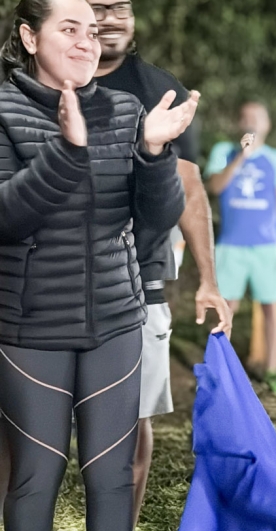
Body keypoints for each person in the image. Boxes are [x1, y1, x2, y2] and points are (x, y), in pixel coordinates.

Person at [0, 0, 195, 528]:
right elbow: (7, 218)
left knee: (111, 477)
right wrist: (66, 150)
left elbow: (156, 220)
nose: (89, 41)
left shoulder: (126, 110)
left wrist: (154, 153)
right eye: (70, 29)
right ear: (30, 37)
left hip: (116, 321)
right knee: (35, 474)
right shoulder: (2, 110)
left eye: (92, 31)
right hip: (30, 329)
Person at [83, 0, 233, 524]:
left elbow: (189, 185)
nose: (110, 18)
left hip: (139, 278)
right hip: (45, 279)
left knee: (131, 419)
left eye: (119, 6)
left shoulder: (157, 88)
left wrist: (209, 281)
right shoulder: (41, 78)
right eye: (97, 7)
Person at [205, 102, 276, 398]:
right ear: (238, 123)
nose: (251, 123)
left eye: (257, 118)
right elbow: (215, 187)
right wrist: (241, 158)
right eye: (245, 117)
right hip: (230, 246)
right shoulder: (223, 153)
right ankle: (220, 372)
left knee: (271, 307)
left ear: (267, 125)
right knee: (226, 309)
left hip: (267, 247)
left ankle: (271, 370)